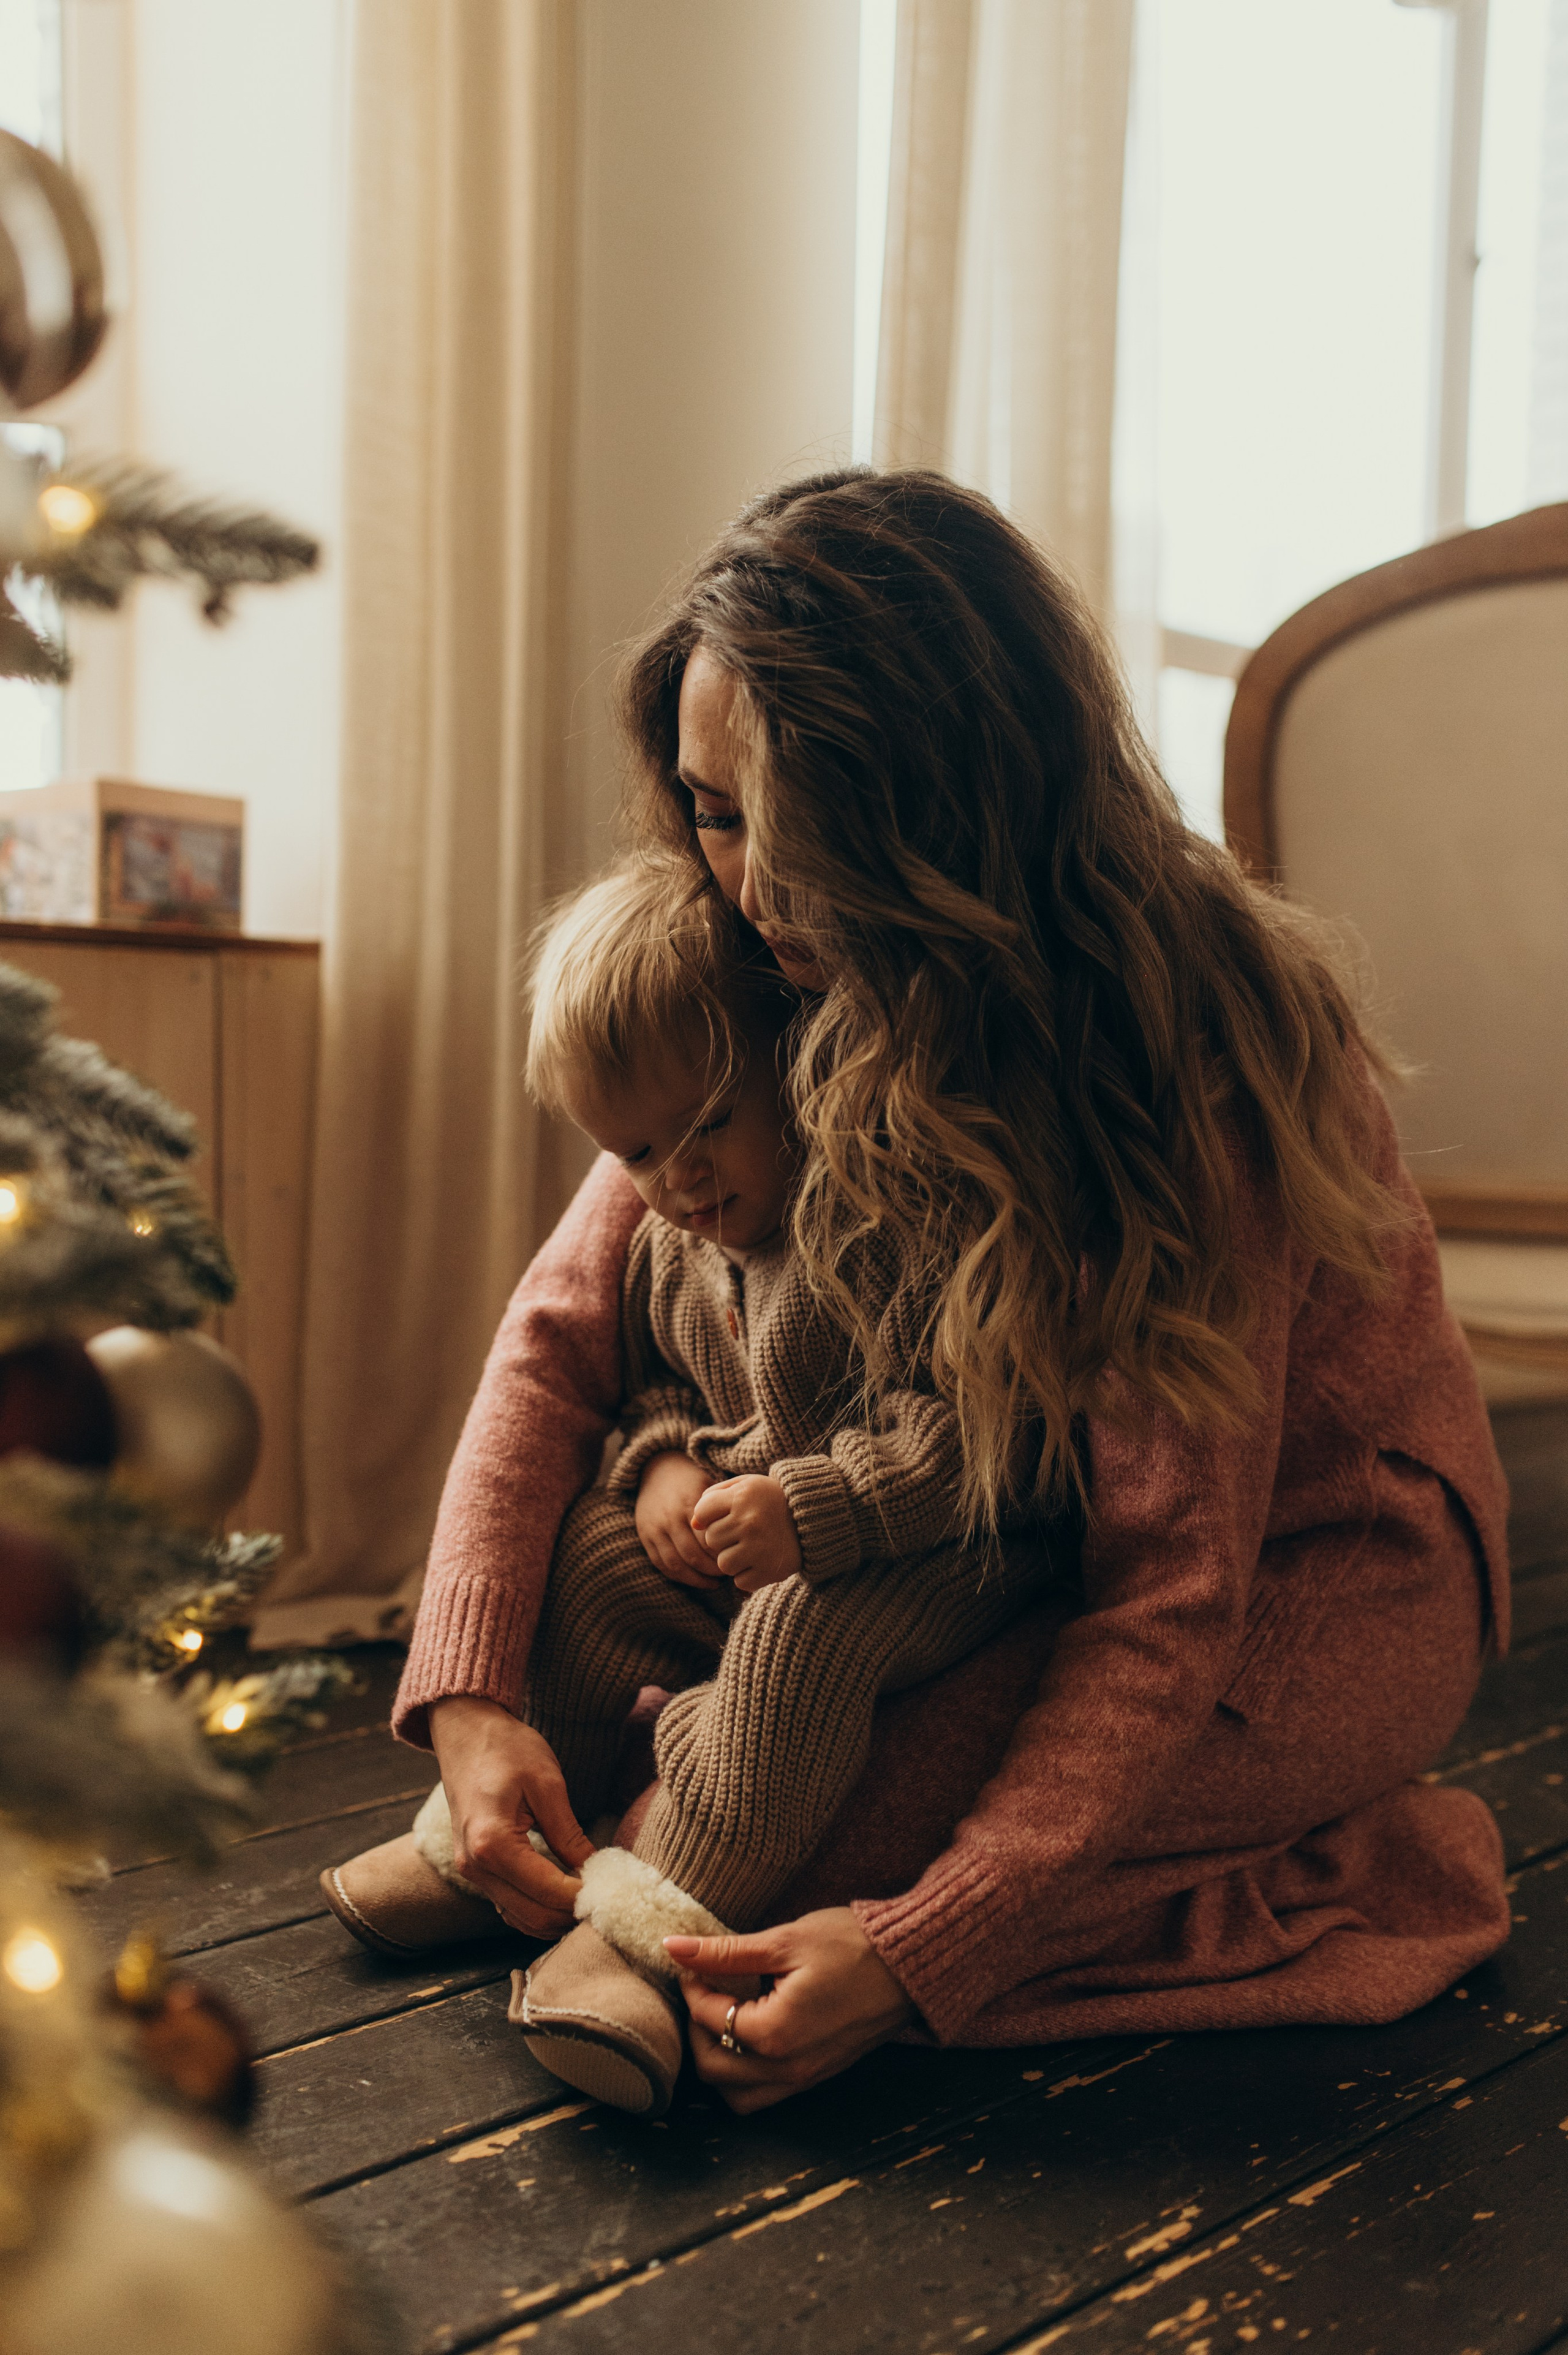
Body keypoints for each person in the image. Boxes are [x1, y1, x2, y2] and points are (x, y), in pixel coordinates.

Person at [386, 469, 1511, 2117]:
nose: (751, 885)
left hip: (1310, 1562)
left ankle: (1356, 1844)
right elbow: (559, 1334)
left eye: (802, 827)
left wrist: (926, 1947)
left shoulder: (1180, 1044)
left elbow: (1171, 1580)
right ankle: (638, 1821)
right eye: (713, 811)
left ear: (949, 804)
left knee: (829, 1845)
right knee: (691, 1658)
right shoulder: (763, 956)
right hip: (964, 1534)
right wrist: (475, 1704)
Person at [325, 857, 1059, 2115]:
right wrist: (661, 1461)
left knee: (793, 1642)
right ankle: (524, 1844)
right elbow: (653, 1383)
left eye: (710, 1122)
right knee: (592, 1555)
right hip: (760, 1523)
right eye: (636, 1150)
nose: (678, 1177)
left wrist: (818, 1510)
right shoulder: (675, 1244)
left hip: (941, 1551)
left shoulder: (887, 1221)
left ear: (796, 1064)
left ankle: (655, 1923)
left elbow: (988, 1437)